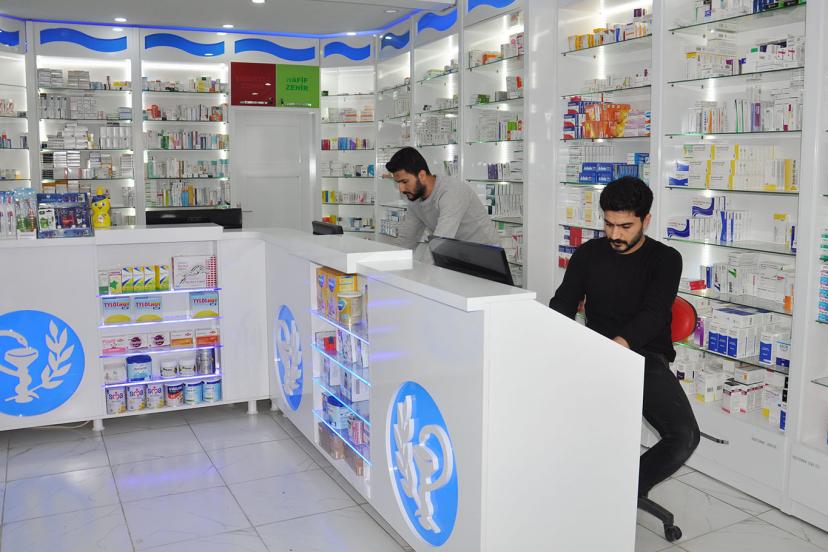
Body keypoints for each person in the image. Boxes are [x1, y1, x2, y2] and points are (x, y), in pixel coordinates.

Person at [548, 176, 700, 499]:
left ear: (646, 220)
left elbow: (653, 315)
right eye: (609, 224)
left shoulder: (665, 259)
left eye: (625, 226)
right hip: (595, 351)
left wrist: (615, 351)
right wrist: (552, 340)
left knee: (684, 436)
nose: (615, 235)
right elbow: (563, 303)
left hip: (644, 355)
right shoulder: (588, 254)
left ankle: (623, 493)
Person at [384, 147, 501, 260]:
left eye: (405, 182)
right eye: (398, 183)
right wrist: (385, 263)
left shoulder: (452, 191)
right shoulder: (415, 198)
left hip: (486, 256)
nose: (401, 189)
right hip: (457, 255)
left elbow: (441, 241)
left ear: (422, 175)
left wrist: (423, 271)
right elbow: (406, 240)